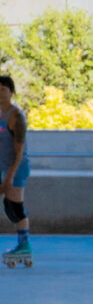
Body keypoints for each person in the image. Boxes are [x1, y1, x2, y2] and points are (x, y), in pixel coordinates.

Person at [0, 77, 29, 267]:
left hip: (16, 167)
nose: (0, 93)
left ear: (11, 92)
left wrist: (9, 177)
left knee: (15, 207)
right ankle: (22, 244)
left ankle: (24, 246)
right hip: (4, 166)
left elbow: (19, 151)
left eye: (3, 89)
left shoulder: (16, 116)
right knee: (8, 206)